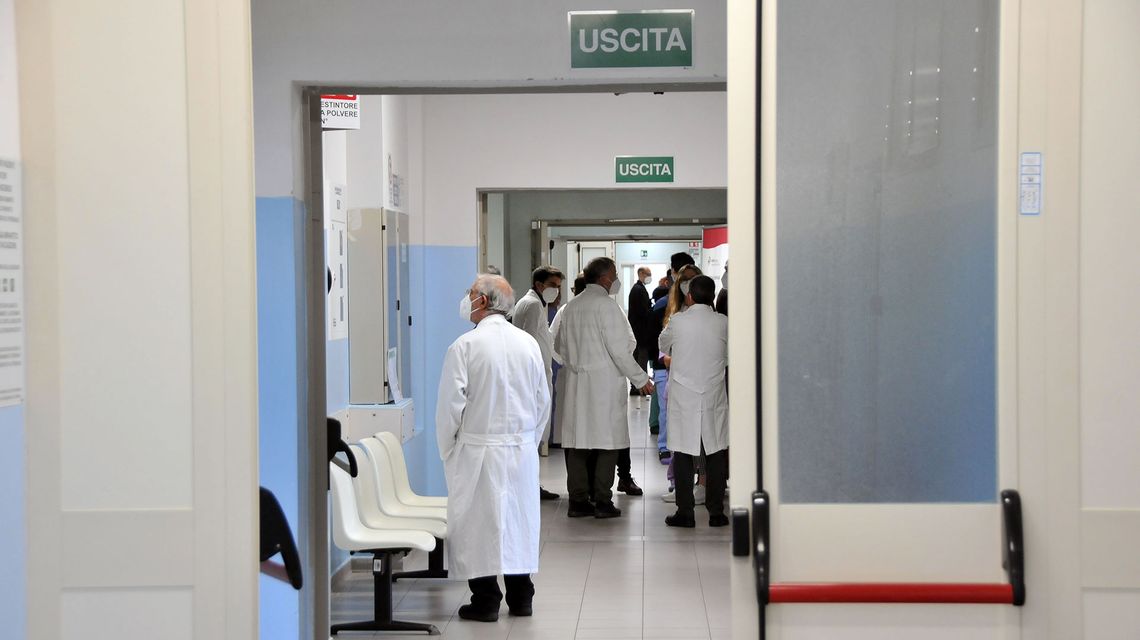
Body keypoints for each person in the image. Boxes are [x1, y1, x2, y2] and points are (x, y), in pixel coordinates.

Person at [436, 274, 549, 622]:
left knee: (478, 524)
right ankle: (521, 596)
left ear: (482, 301)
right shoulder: (527, 344)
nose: (466, 298)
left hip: (478, 449)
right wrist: (528, 440)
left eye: (470, 293)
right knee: (518, 521)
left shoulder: (464, 346)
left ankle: (485, 600)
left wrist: (449, 449)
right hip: (519, 448)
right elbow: (542, 400)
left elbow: (450, 407)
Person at [554, 257, 653, 518]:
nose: (616, 279)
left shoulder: (571, 307)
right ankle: (602, 500)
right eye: (615, 274)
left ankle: (578, 501)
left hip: (577, 383)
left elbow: (560, 347)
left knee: (578, 442)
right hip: (604, 384)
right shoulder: (608, 306)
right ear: (605, 278)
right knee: (608, 442)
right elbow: (620, 350)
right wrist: (641, 379)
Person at [658, 275, 729, 528]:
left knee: (684, 453)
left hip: (684, 395)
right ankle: (716, 513)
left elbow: (663, 344)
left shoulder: (678, 321)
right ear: (712, 296)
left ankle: (685, 512)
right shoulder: (724, 322)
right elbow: (730, 356)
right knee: (716, 452)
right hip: (713, 393)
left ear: (689, 297)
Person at [511, 265, 565, 501]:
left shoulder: (532, 303)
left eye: (559, 286)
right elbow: (530, 341)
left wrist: (560, 360)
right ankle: (529, 486)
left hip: (535, 376)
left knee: (533, 434)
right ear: (539, 284)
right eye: (553, 285)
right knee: (533, 434)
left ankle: (531, 484)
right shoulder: (533, 305)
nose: (557, 291)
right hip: (533, 378)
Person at [649, 253, 698, 465]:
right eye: (684, 280)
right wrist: (663, 360)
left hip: (694, 373)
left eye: (692, 280)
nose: (688, 285)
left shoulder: (707, 311)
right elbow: (654, 342)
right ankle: (665, 448)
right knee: (667, 412)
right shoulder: (664, 306)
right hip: (666, 369)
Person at [627, 267, 654, 393]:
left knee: (638, 358)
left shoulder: (638, 289)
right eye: (648, 274)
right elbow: (643, 311)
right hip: (641, 331)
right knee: (641, 359)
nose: (649, 277)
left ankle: (637, 386)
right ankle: (640, 387)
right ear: (641, 274)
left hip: (637, 330)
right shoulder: (638, 290)